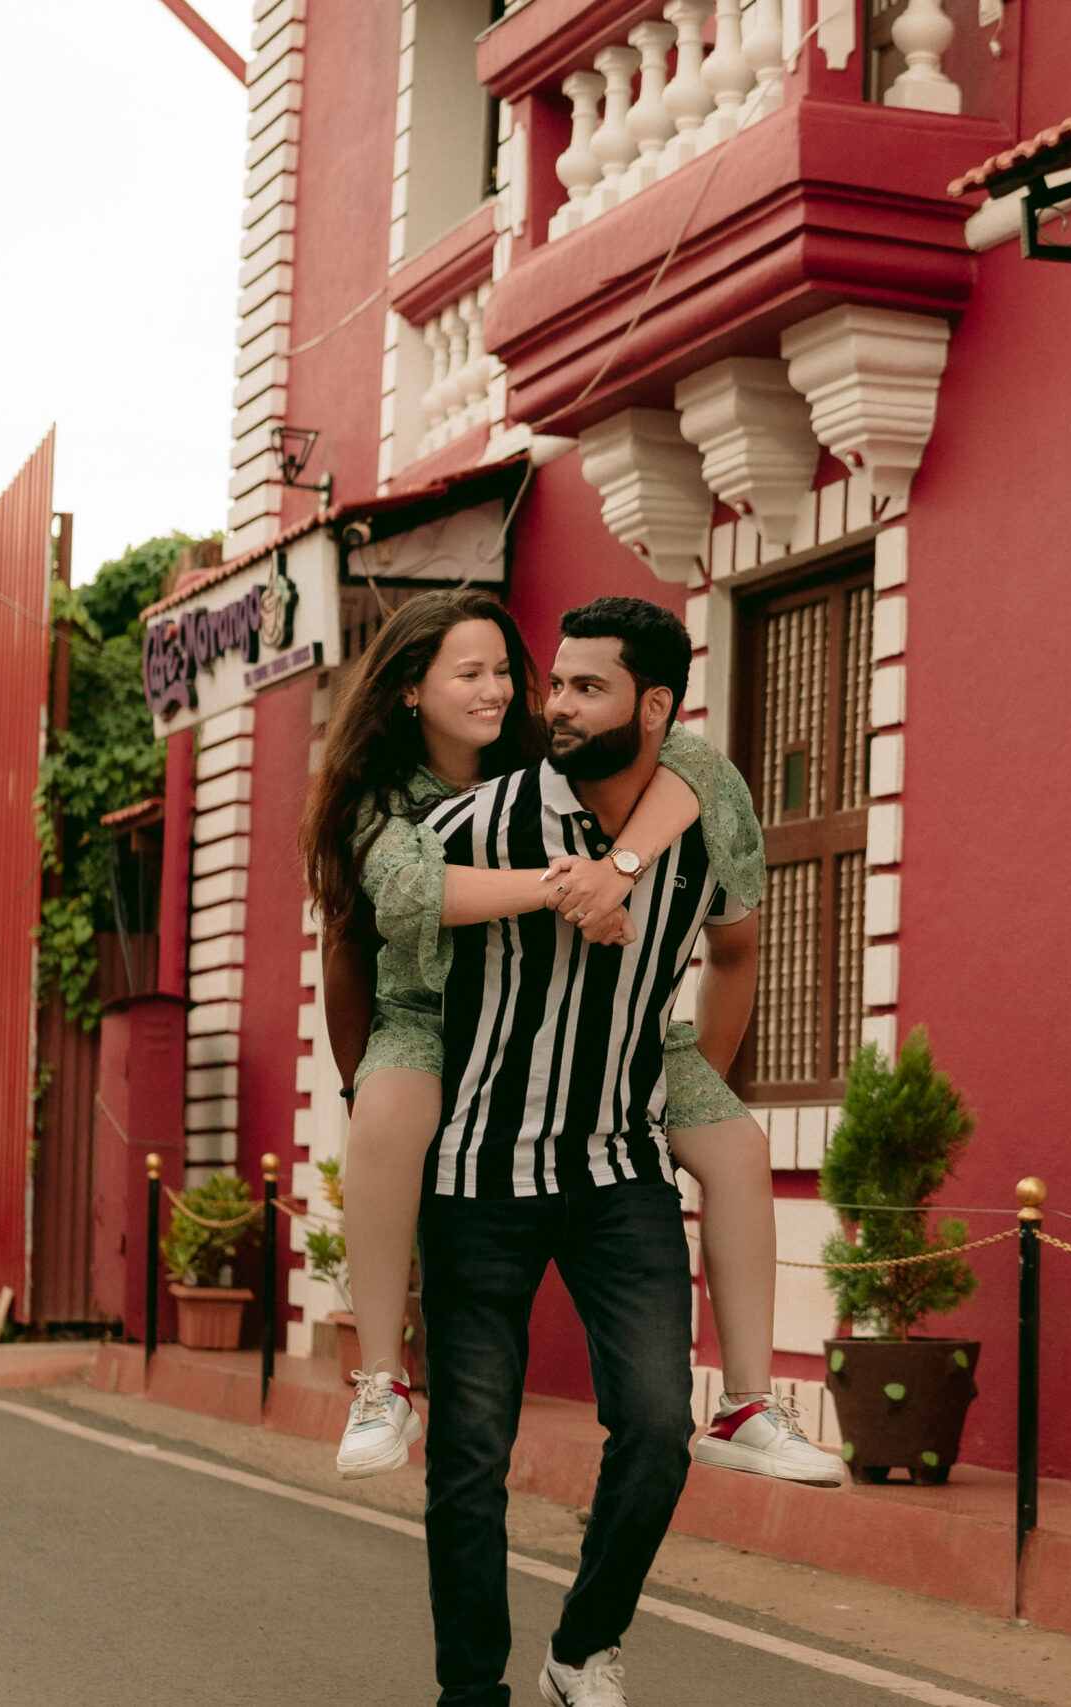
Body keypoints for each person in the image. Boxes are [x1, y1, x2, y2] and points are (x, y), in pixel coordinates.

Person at [297, 591, 838, 1489]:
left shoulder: (554, 750)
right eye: (469, 674)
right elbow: (401, 902)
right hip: (432, 1013)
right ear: (409, 690)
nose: (499, 691)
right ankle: (382, 1382)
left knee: (739, 1145)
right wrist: (567, 888)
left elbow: (697, 767)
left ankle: (747, 1404)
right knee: (385, 1117)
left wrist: (619, 867)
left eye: (505, 672)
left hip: (600, 1019)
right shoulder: (384, 798)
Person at [421, 596, 755, 1707]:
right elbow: (371, 926)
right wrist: (380, 1094)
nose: (555, 705)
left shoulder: (700, 825)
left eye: (586, 688)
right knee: (471, 1458)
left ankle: (581, 1647)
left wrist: (690, 1085)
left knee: (659, 1426)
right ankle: (472, 1692)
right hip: (475, 1174)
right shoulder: (481, 822)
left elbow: (737, 946)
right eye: (554, 684)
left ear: (654, 707)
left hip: (623, 1174)